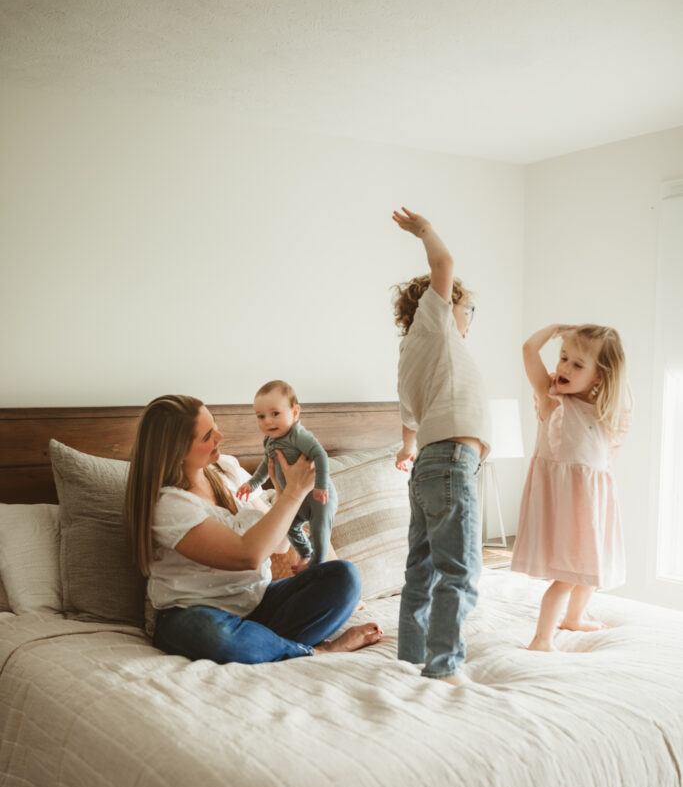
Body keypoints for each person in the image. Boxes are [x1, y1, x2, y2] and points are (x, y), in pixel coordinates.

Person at [125, 394, 382, 665]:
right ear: (175, 451)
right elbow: (248, 556)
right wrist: (293, 494)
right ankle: (315, 651)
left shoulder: (227, 470)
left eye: (215, 426)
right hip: (196, 615)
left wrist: (285, 487)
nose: (220, 437)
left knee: (344, 576)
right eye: (207, 436)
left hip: (257, 604)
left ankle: (264, 645)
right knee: (215, 636)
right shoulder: (169, 504)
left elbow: (280, 545)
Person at [392, 207, 491, 686]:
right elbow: (444, 266)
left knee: (422, 571)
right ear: (442, 305)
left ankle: (411, 657)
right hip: (452, 462)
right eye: (465, 308)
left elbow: (410, 421)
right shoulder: (435, 326)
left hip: (428, 466)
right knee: (461, 571)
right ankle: (444, 666)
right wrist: (425, 231)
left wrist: (406, 450)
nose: (467, 318)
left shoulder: (410, 354)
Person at [510, 323, 630, 651]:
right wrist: (555, 331)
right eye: (563, 357)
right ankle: (542, 639)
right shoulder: (553, 402)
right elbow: (528, 351)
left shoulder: (608, 411)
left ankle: (574, 619)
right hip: (563, 505)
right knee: (564, 577)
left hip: (592, 505)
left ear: (600, 377)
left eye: (577, 365)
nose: (563, 368)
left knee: (590, 568)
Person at [236, 380, 337, 571]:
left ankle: (316, 564)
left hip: (319, 497)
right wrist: (253, 483)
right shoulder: (270, 440)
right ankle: (305, 555)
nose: (267, 421)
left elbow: (320, 455)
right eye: (260, 416)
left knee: (319, 531)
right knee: (289, 527)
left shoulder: (299, 436)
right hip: (297, 499)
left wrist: (321, 485)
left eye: (275, 414)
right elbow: (268, 464)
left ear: (295, 412)